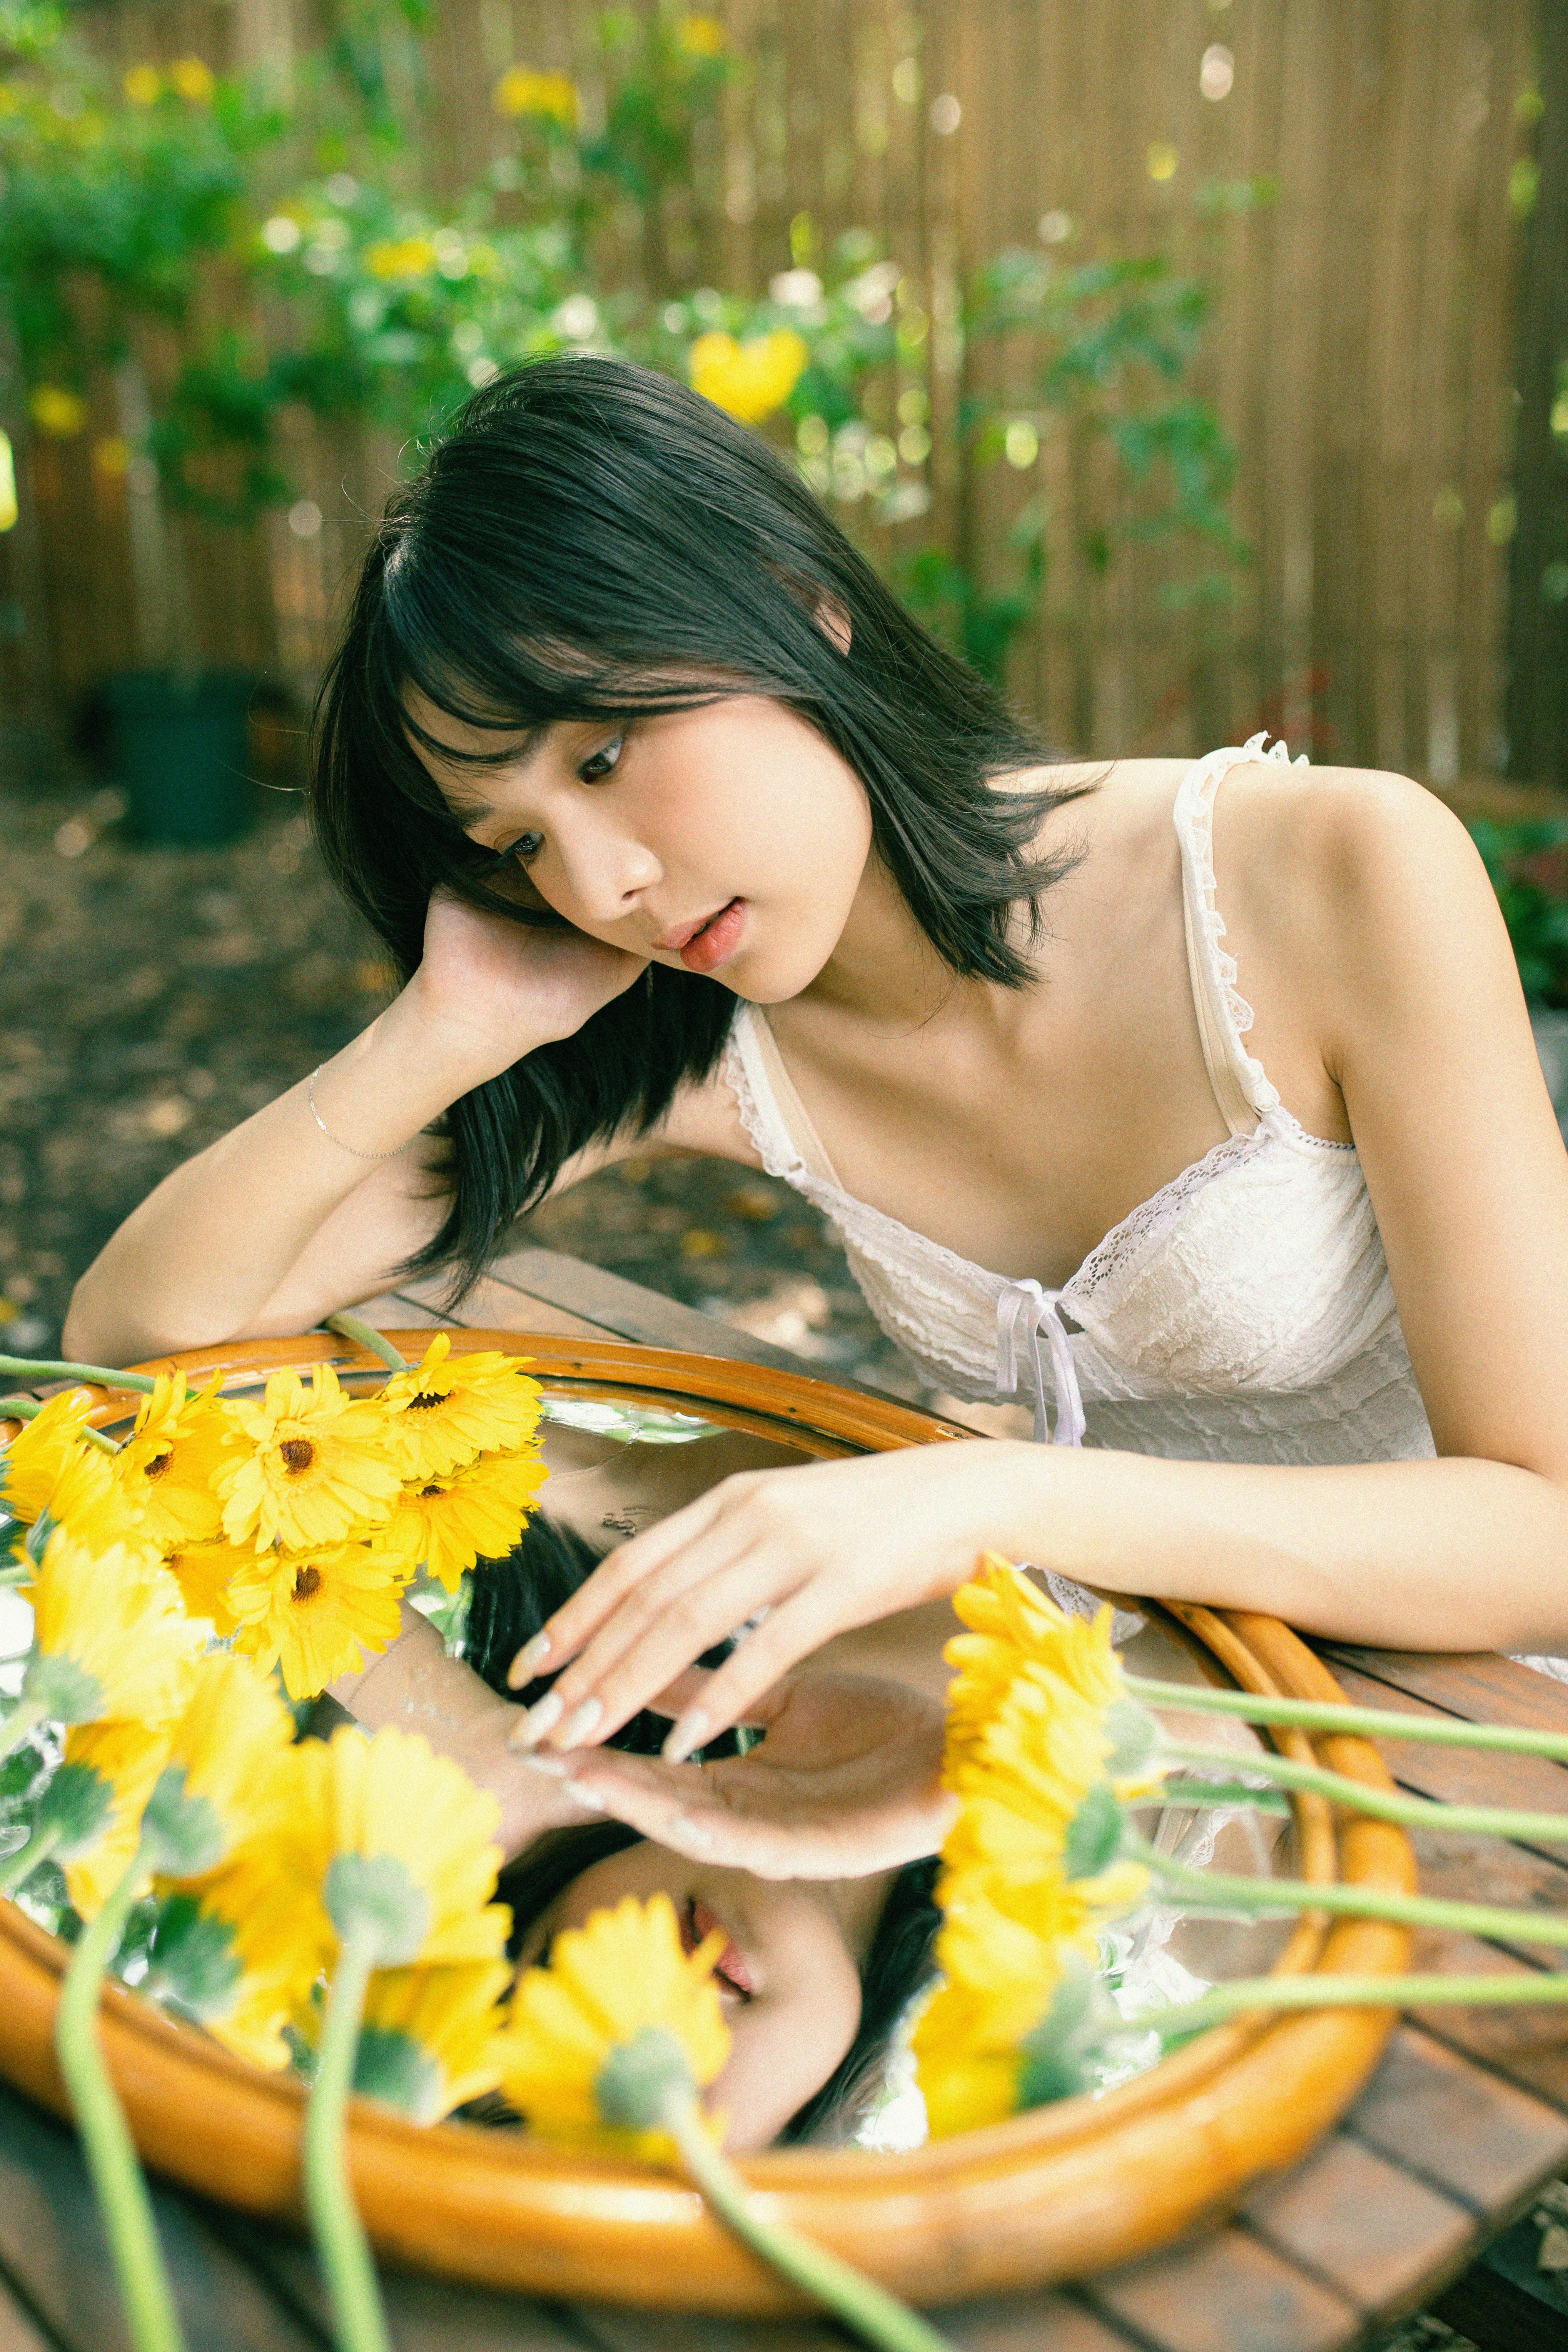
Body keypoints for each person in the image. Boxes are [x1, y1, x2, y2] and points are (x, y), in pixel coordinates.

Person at [64, 351, 1568, 1789]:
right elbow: (147, 1322)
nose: (603, 883)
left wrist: (990, 1491)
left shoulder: (1328, 873)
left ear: (800, 609)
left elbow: (1544, 1532)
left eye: (598, 757)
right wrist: (445, 1028)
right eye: (514, 842)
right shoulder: (681, 1039)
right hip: (1118, 1737)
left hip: (1468, 1738)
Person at [335, 1511, 945, 2151]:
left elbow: (238, 1474)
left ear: (554, 1877)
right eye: (641, 2112)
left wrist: (471, 1732)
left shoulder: (658, 1530)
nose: (650, 2009)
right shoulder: (1048, 1906)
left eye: (561, 1980)